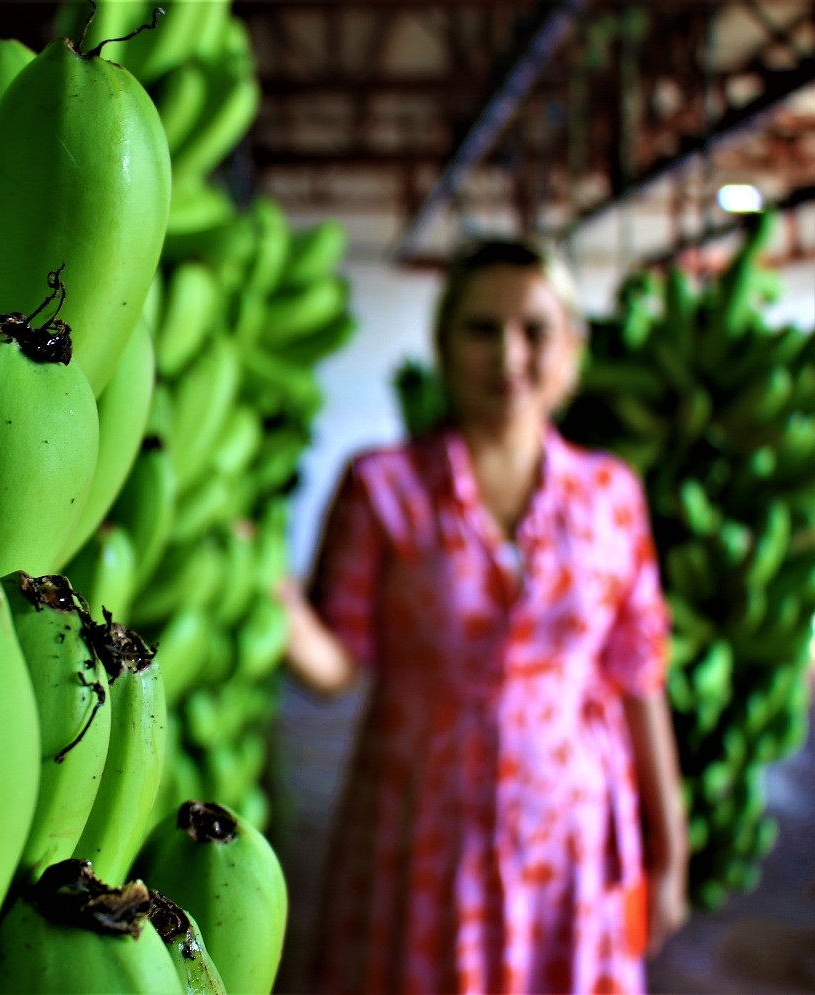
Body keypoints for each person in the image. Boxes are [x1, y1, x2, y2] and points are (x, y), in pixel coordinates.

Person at [278, 238, 689, 994]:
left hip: (571, 835)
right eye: (481, 327)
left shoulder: (611, 498)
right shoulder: (383, 488)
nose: (509, 354)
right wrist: (273, 598)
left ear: (572, 345)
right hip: (419, 828)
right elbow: (339, 665)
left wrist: (671, 847)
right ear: (442, 343)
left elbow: (638, 676)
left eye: (534, 329)